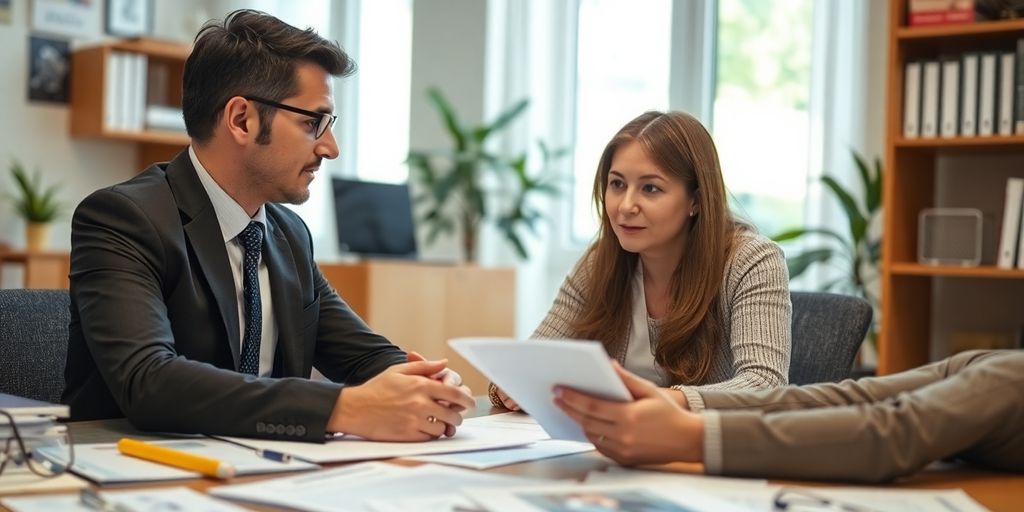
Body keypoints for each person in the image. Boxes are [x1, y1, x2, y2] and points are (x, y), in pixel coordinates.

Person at [62, 9, 474, 443]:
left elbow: (361, 355)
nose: (330, 148)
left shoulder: (287, 234)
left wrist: (428, 386)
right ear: (241, 119)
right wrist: (344, 407)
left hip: (264, 473)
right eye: (312, 122)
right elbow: (149, 381)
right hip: (132, 475)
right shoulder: (122, 219)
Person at [490, 111, 791, 411]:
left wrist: (657, 401)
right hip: (612, 448)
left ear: (695, 200)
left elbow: (764, 385)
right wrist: (508, 386)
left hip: (709, 452)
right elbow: (529, 361)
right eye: (617, 184)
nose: (626, 206)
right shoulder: (600, 262)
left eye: (650, 188)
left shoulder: (752, 261)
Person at [554, 350, 1024, 483]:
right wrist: (682, 403)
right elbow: (853, 398)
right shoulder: (997, 367)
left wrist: (690, 437)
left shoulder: (1009, 377)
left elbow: (893, 434)